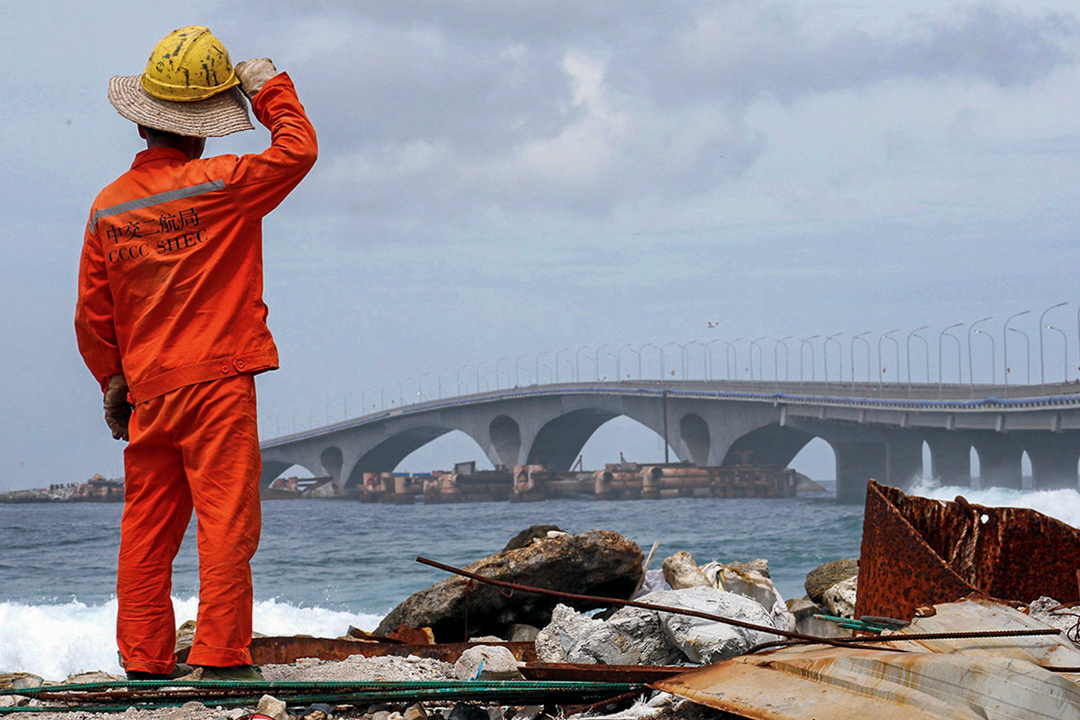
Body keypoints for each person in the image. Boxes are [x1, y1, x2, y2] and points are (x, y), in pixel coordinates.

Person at [74, 26, 317, 681]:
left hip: (149, 395)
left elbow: (93, 318)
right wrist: (269, 89)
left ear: (144, 124)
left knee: (146, 533)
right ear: (203, 128)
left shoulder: (107, 209)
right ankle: (218, 657)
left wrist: (113, 381)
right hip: (217, 386)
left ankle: (145, 660)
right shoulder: (224, 184)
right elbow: (297, 150)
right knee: (225, 527)